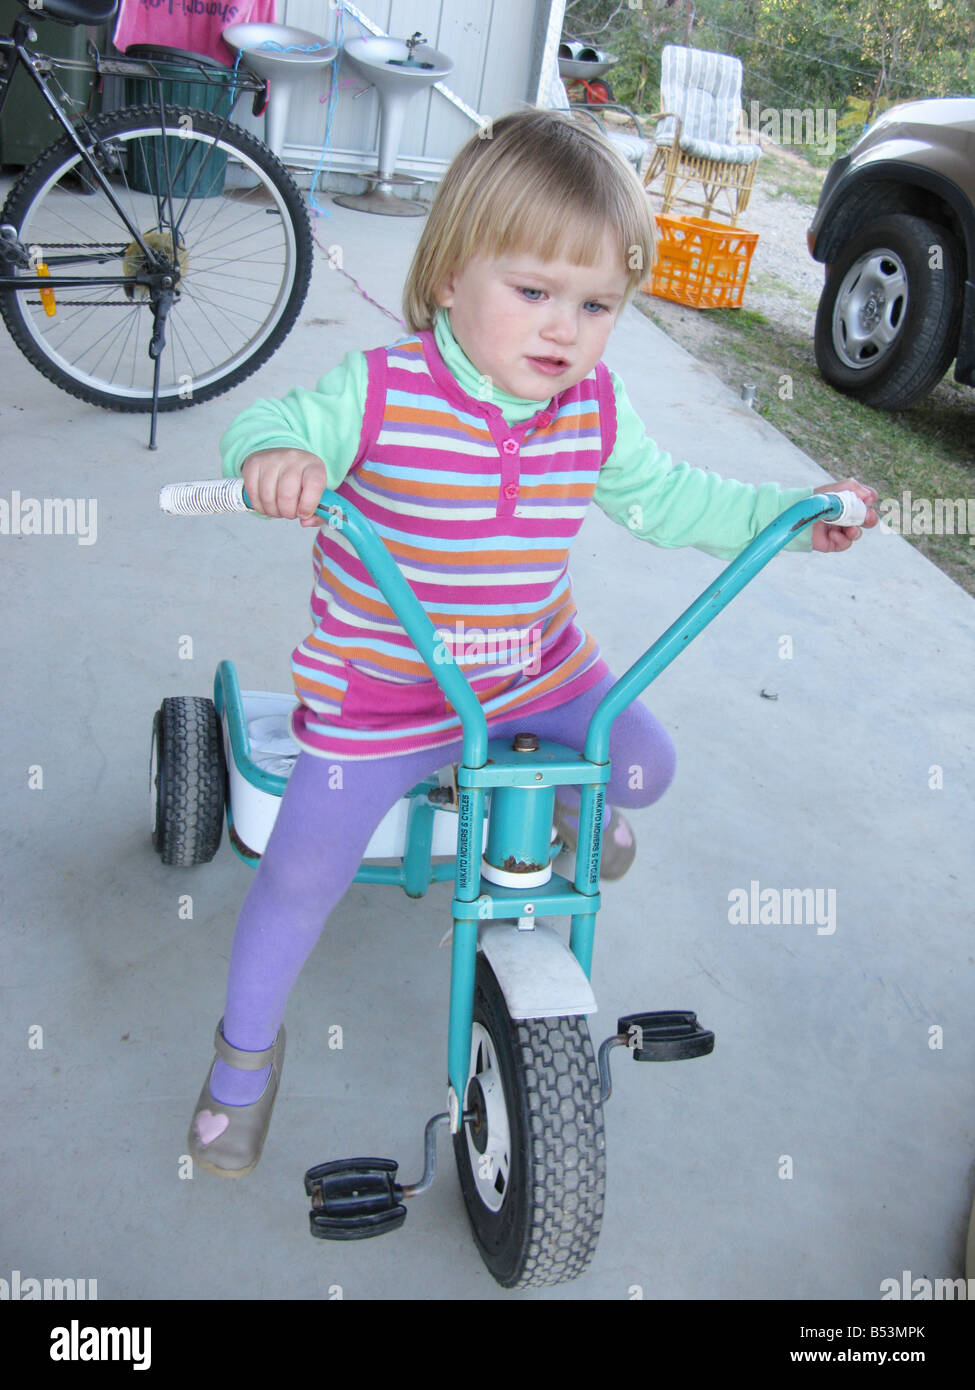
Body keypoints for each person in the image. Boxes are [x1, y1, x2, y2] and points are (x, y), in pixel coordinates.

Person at [188, 109, 877, 1177]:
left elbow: (670, 499)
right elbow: (266, 427)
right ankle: (242, 1059)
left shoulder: (593, 408)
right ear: (456, 272)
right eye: (534, 292)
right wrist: (279, 460)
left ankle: (564, 803)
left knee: (643, 762)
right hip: (387, 693)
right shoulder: (379, 389)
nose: (565, 329)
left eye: (597, 304)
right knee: (300, 870)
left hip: (532, 667)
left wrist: (787, 514)